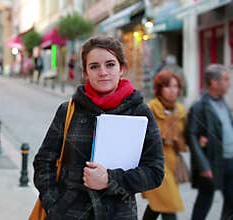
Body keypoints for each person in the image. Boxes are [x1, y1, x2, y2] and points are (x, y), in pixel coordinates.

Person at [33, 35, 164, 219]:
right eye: (94, 66)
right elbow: (43, 162)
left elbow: (155, 171)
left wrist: (110, 180)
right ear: (86, 73)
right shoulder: (68, 110)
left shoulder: (140, 112)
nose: (103, 72)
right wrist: (55, 206)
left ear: (122, 69)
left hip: (119, 215)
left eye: (110, 64)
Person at [187, 64, 233, 220]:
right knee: (205, 200)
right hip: (212, 161)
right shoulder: (200, 106)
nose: (229, 83)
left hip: (230, 160)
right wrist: (204, 165)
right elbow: (192, 136)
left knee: (231, 200)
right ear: (214, 82)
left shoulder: (223, 102)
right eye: (226, 79)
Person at [142, 70, 187, 220]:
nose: (172, 90)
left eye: (175, 86)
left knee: (157, 205)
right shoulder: (150, 108)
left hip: (173, 161)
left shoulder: (180, 110)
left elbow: (184, 136)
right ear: (159, 88)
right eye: (167, 86)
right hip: (155, 162)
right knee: (169, 204)